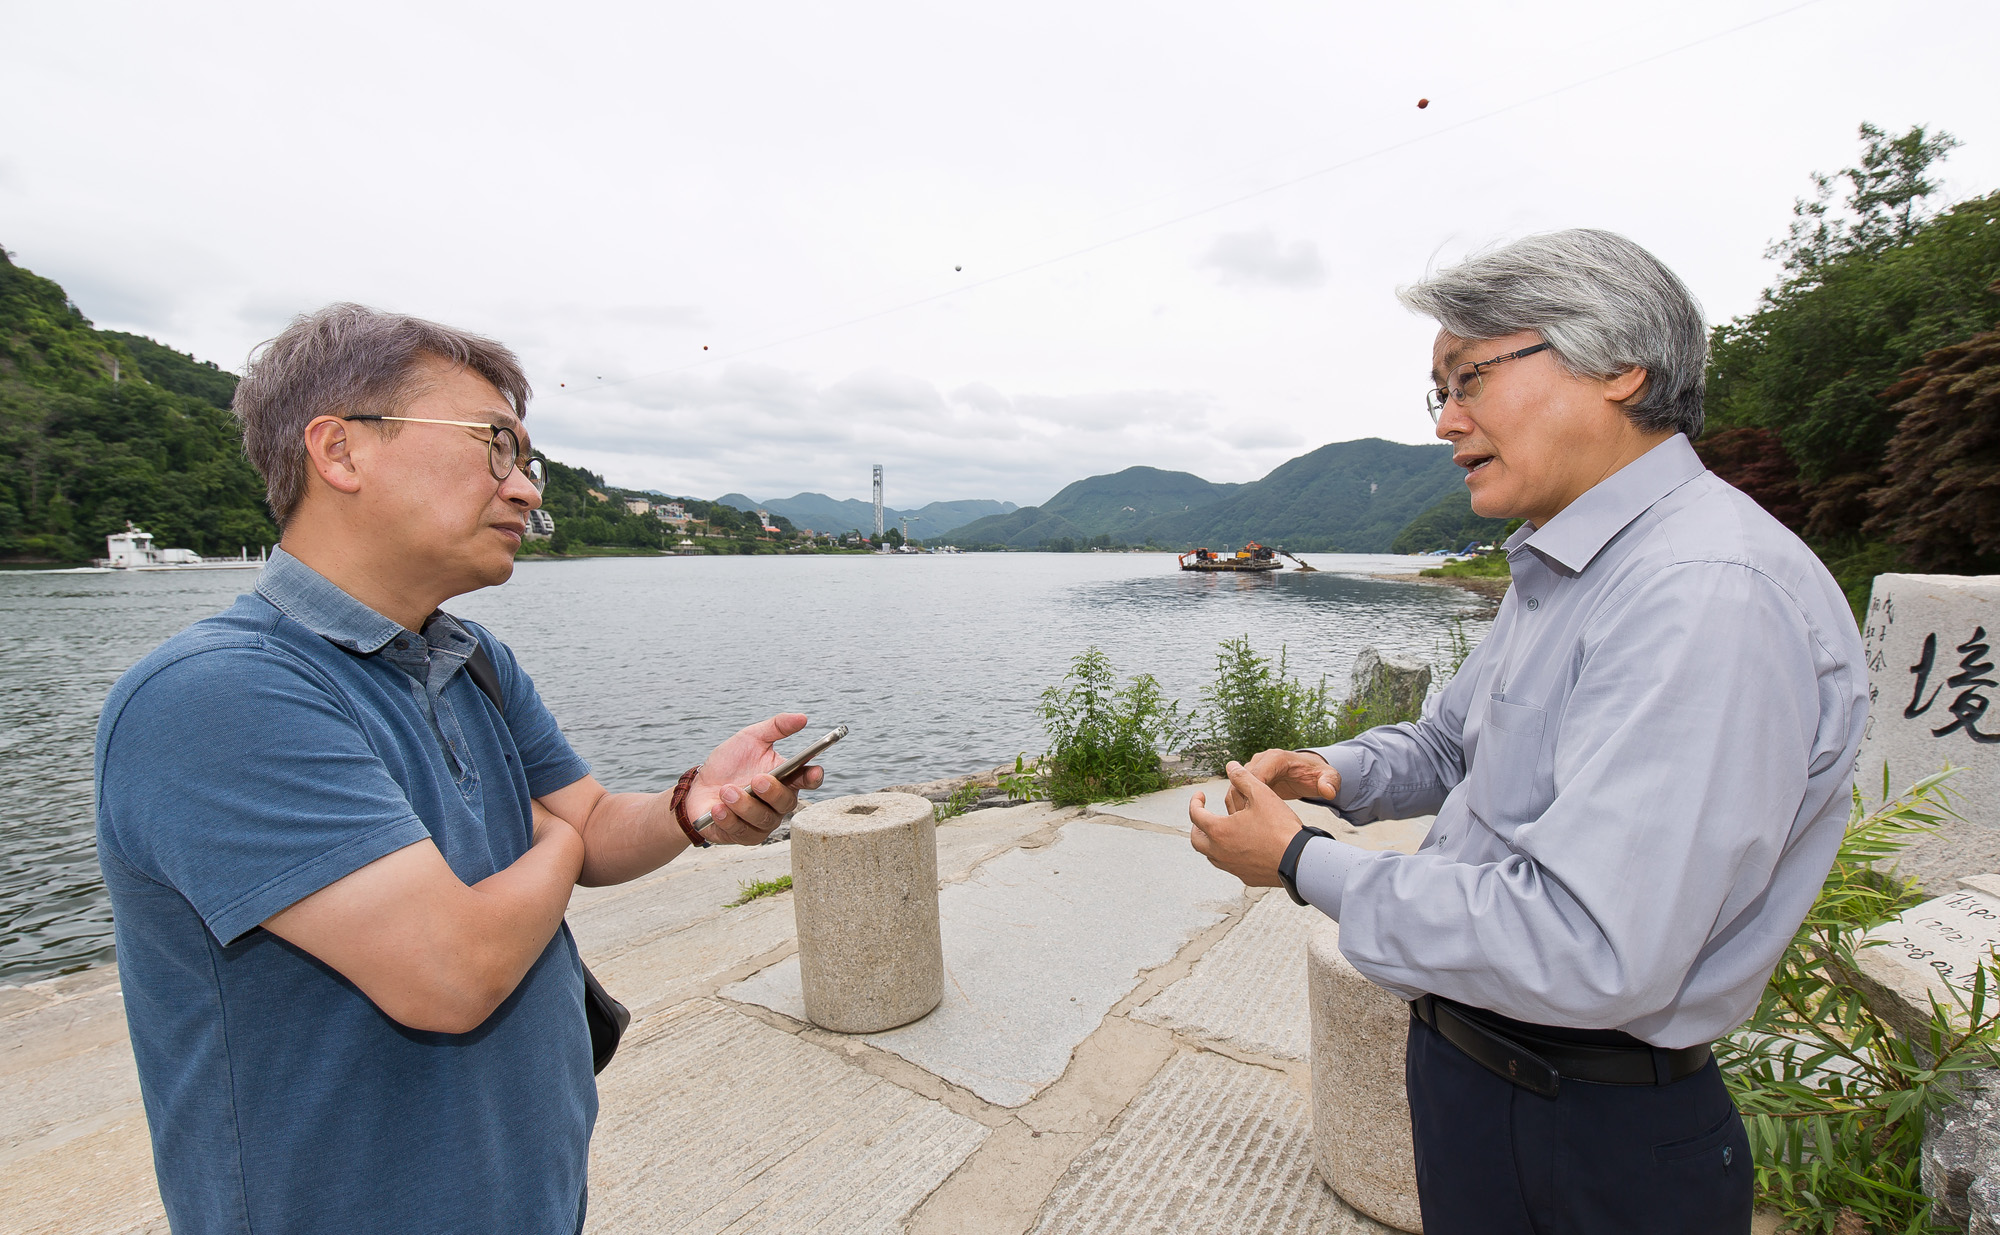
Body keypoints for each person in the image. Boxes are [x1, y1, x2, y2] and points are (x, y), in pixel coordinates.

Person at [1187, 229, 1866, 1234]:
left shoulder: (1700, 595)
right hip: (1498, 1079)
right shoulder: (1576, 566)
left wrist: (1298, 861)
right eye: (1437, 390)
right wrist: (1329, 771)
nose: (1444, 422)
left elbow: (1588, 940)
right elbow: (1456, 742)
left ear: (1617, 366)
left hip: (1587, 1122)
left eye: (1467, 378)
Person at [94, 305, 824, 1234]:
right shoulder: (214, 698)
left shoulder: (469, 654)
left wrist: (692, 804)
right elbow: (451, 970)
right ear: (341, 451)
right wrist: (556, 840)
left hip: (531, 1193)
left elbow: (593, 820)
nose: (524, 491)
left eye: (527, 463)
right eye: (494, 447)